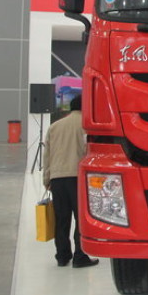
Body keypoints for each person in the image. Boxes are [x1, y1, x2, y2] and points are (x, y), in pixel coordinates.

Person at [42, 95, 98, 268]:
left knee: (61, 218)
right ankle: (80, 256)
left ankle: (62, 256)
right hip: (78, 178)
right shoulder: (87, 126)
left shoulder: (54, 127)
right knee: (81, 218)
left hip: (57, 178)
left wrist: (47, 179)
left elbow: (47, 155)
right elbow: (90, 151)